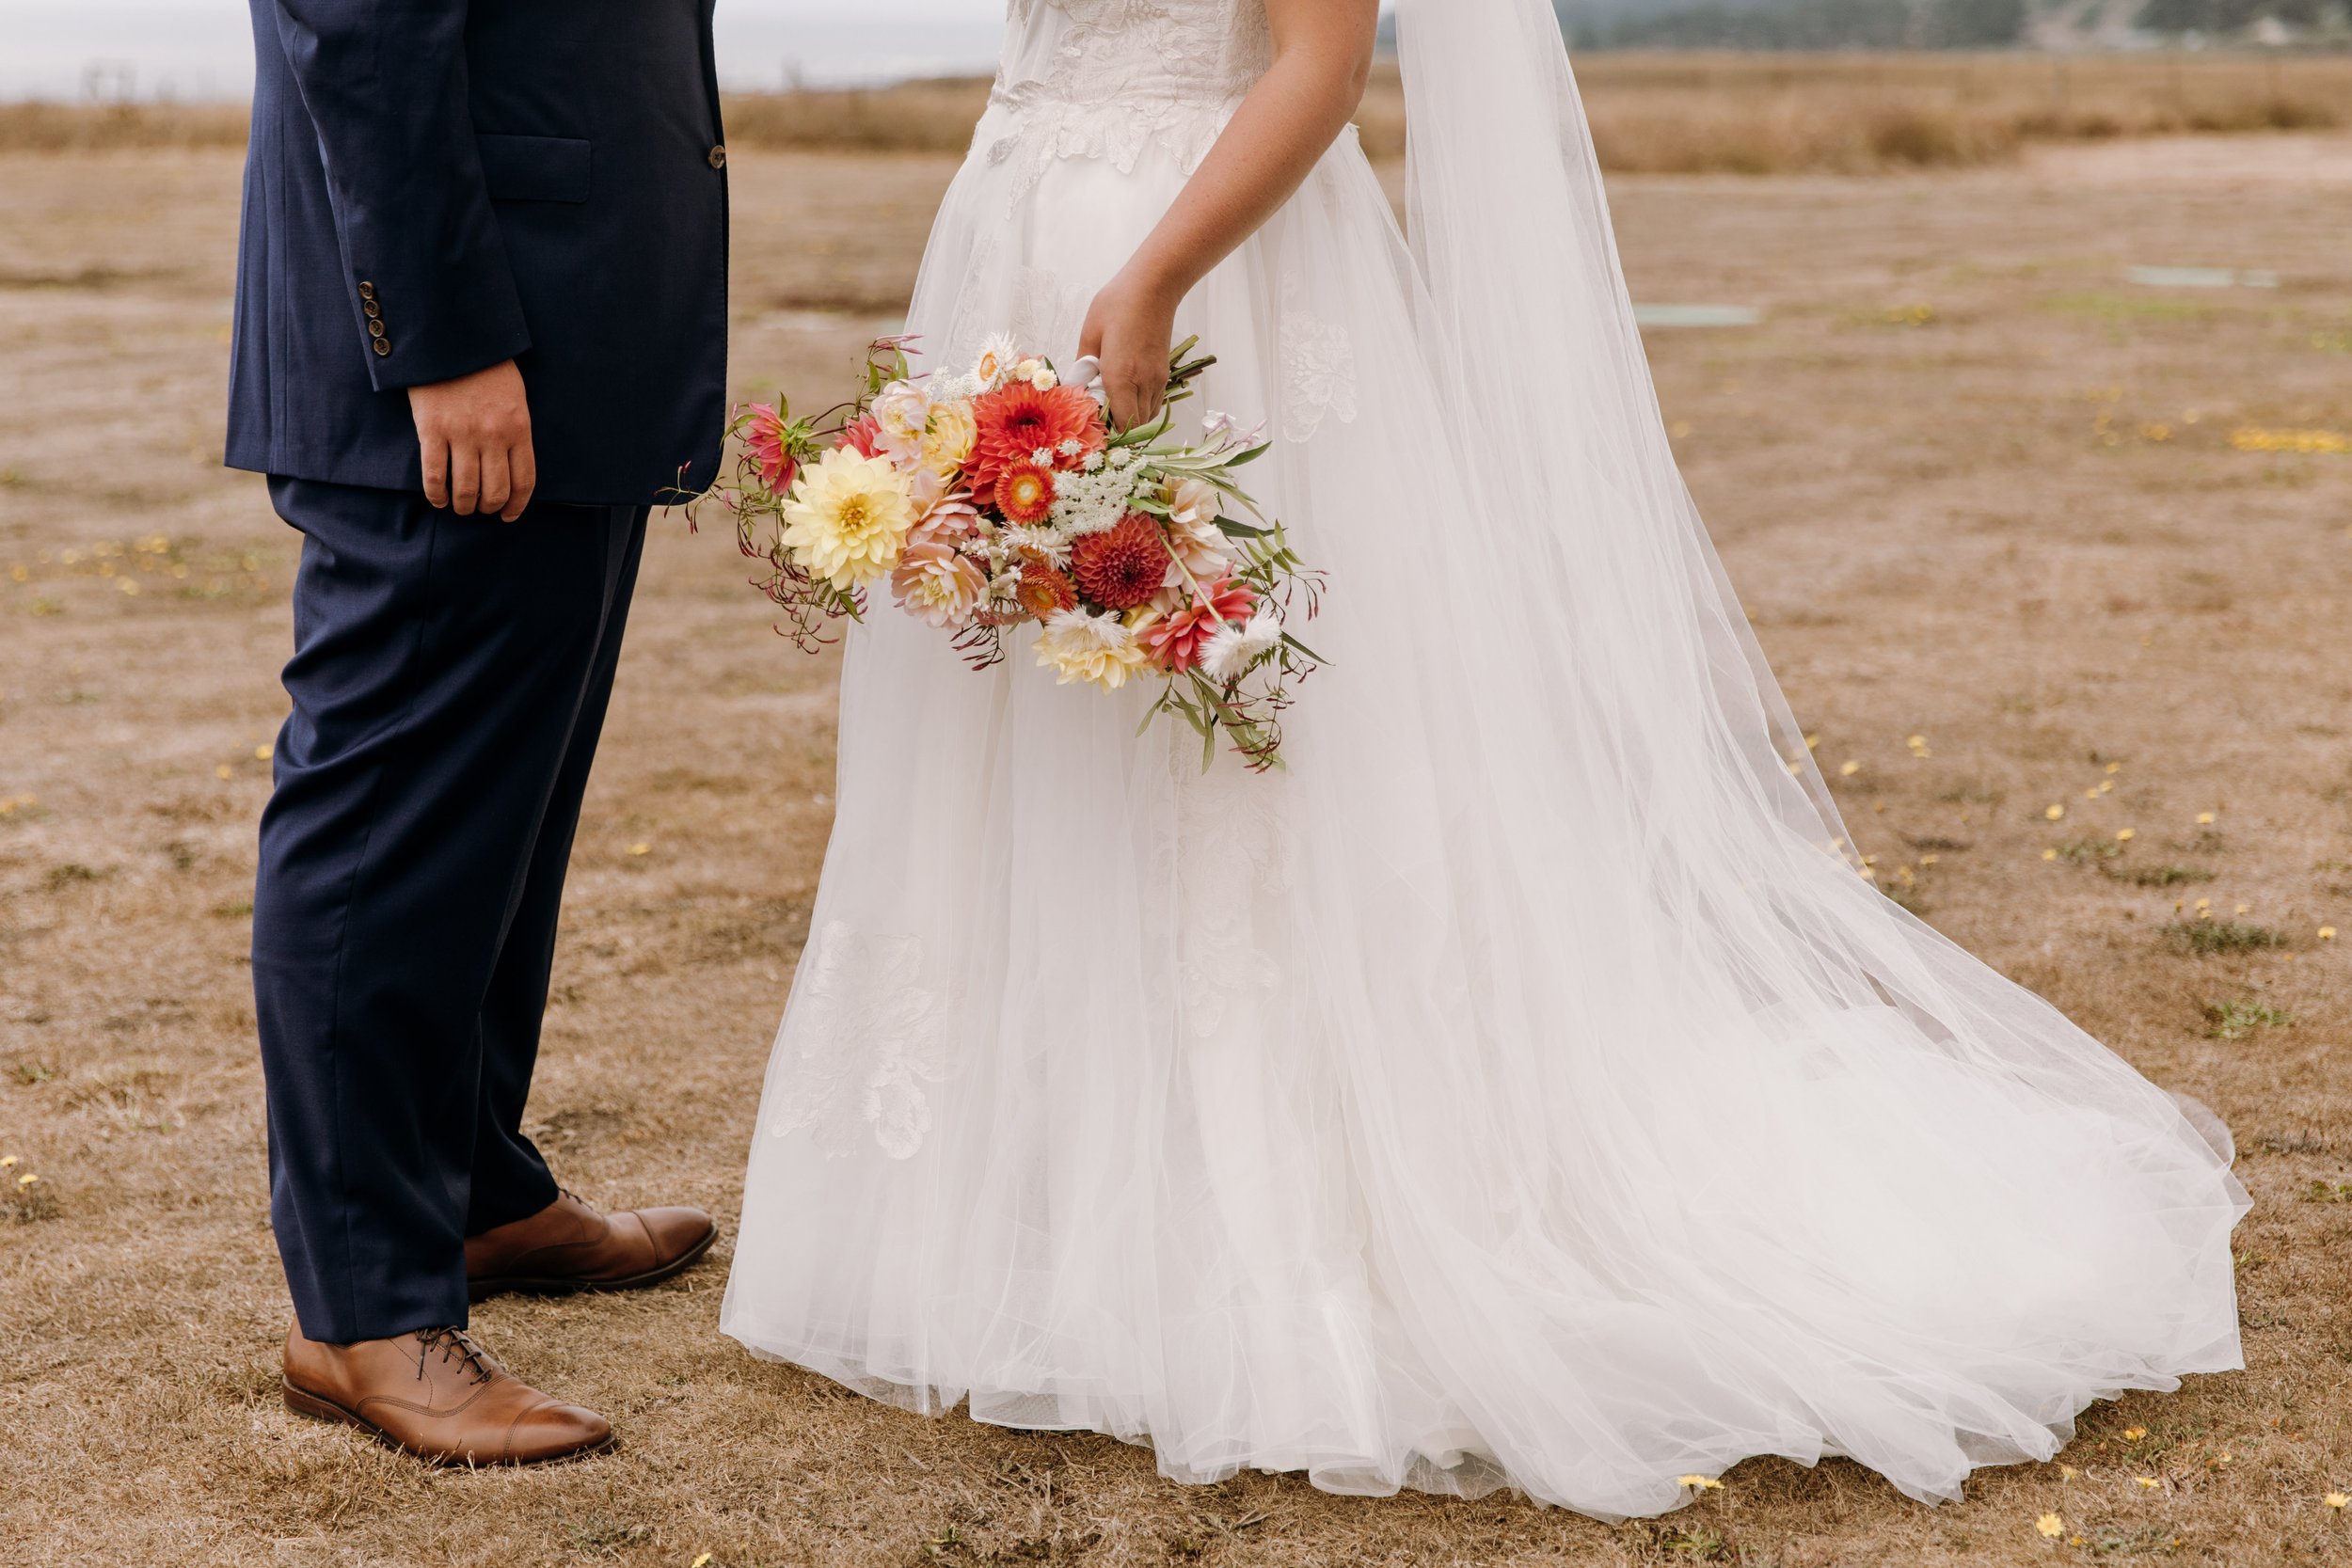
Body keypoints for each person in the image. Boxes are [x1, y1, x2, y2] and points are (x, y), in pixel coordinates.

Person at [720, 0, 2248, 1519]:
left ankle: (1274, 1215)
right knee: (1039, 723)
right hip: (1014, 231)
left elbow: (1321, 65)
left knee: (1243, 735)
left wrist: (1155, 275)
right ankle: (1031, 1209)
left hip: (1205, 271)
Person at [229, 0, 730, 1465]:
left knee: (507, 797)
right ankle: (364, 1310)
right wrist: (438, 335)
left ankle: (472, 1191)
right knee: (391, 808)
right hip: (464, 333)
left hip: (571, 316)